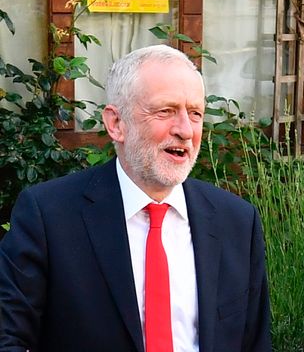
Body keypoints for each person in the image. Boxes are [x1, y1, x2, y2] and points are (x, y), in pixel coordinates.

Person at [0, 45, 271, 351]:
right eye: (165, 111)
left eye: (195, 113)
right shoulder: (48, 217)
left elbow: (254, 341)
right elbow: (11, 338)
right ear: (116, 123)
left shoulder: (236, 221)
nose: (185, 130)